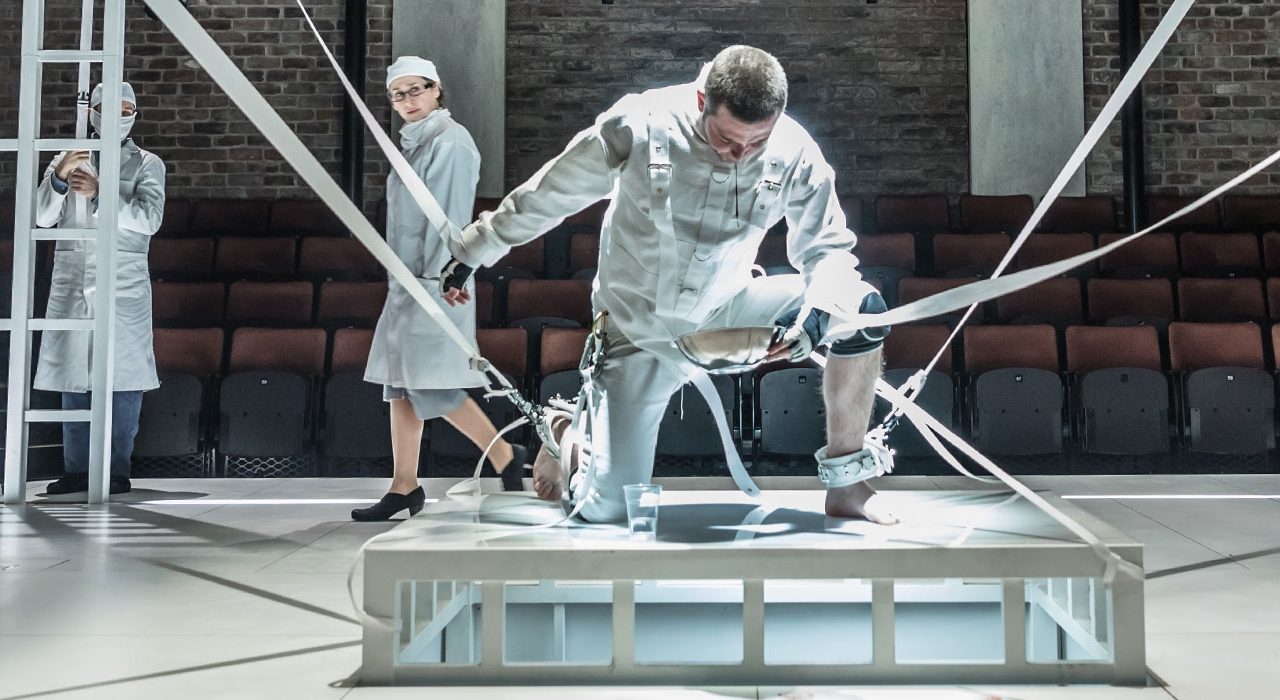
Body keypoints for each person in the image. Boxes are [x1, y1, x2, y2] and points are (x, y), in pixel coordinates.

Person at [442, 45, 895, 525]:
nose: (742, 154)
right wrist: (474, 250)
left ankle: (846, 481)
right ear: (702, 102)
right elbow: (549, 195)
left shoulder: (794, 148)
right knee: (607, 509)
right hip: (637, 332)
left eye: (757, 142)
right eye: (728, 139)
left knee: (858, 306)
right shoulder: (640, 124)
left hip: (726, 313)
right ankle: (566, 434)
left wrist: (819, 309)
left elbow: (829, 252)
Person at [353, 56, 530, 522]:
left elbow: (447, 214)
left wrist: (446, 274)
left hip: (433, 281)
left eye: (416, 90)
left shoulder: (450, 141)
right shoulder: (414, 143)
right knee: (403, 387)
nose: (408, 100)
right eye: (398, 94)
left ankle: (505, 454)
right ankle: (404, 486)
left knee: (433, 385)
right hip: (407, 279)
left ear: (436, 90)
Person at [38, 81, 164, 496]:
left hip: (122, 278)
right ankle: (77, 469)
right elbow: (41, 217)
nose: (119, 115)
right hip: (74, 275)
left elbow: (148, 220)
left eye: (128, 108)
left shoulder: (147, 163)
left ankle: (116, 469)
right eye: (110, 107)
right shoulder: (68, 157)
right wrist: (58, 178)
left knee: (122, 379)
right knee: (75, 375)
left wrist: (100, 195)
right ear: (92, 111)